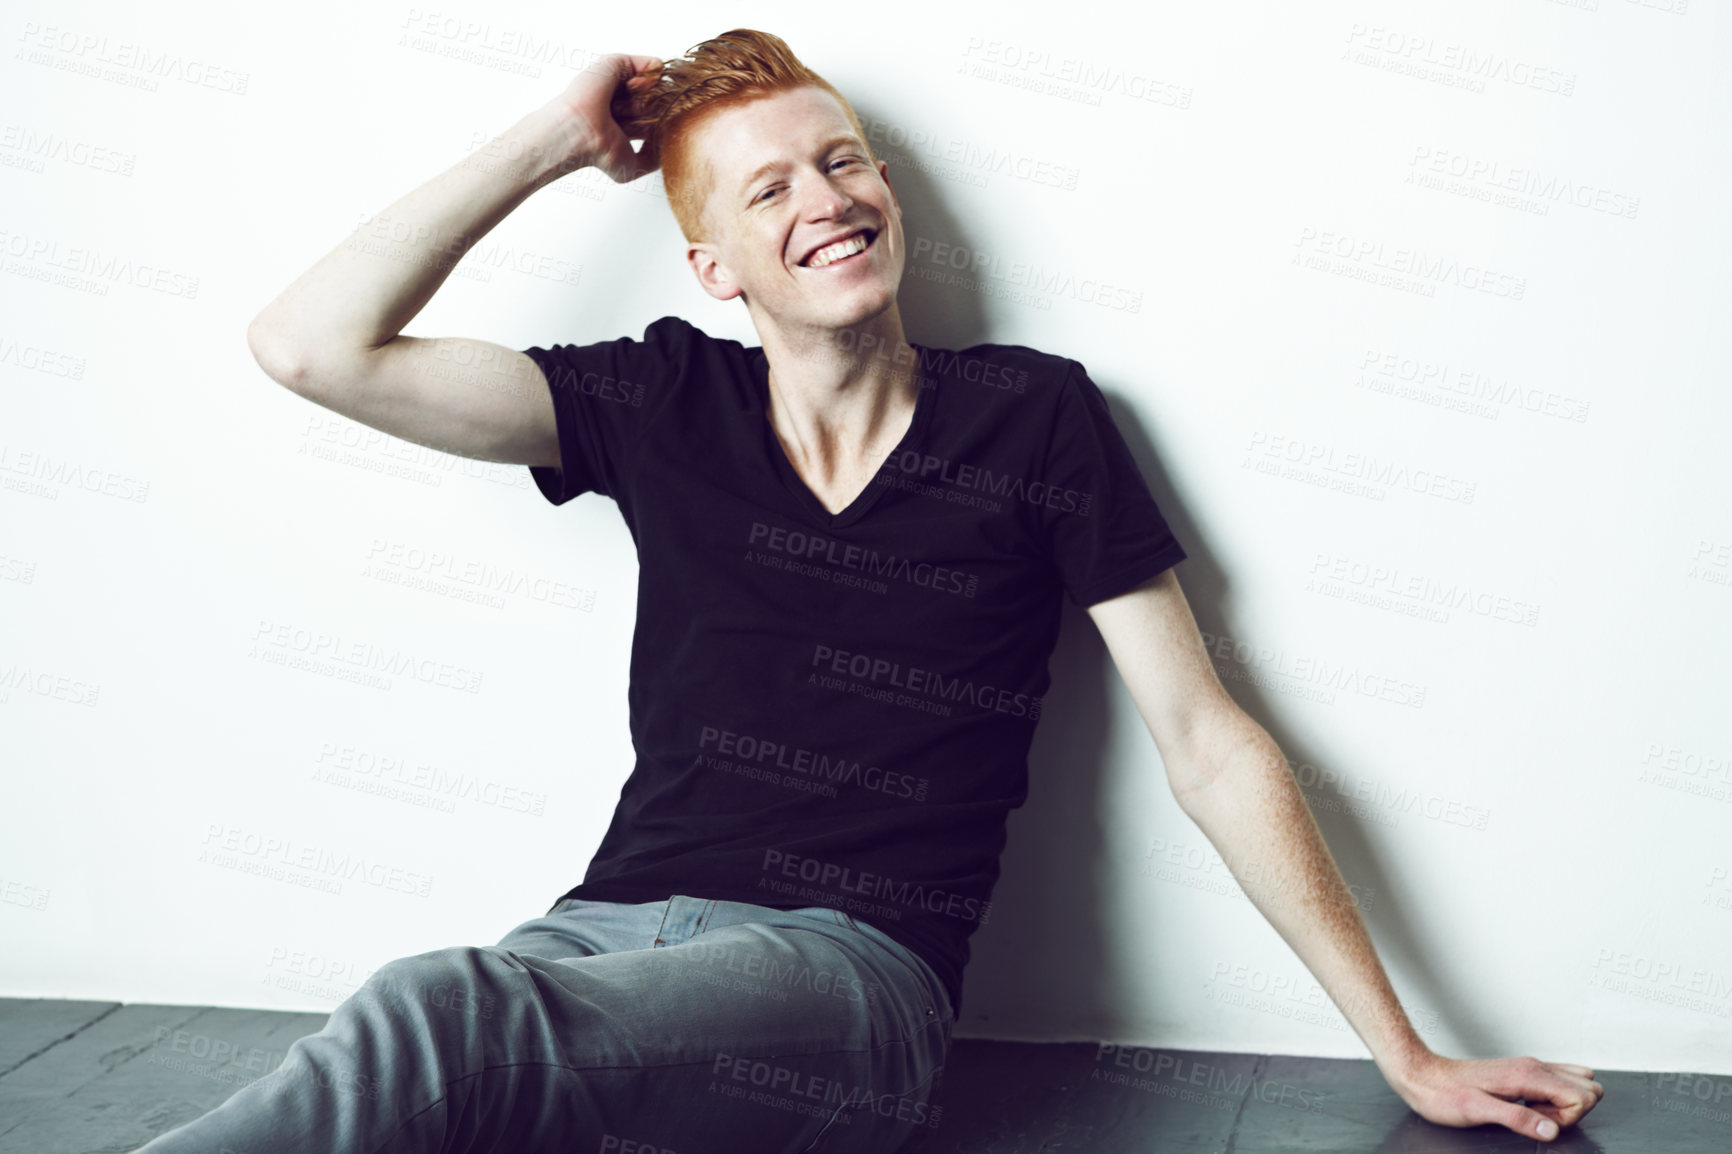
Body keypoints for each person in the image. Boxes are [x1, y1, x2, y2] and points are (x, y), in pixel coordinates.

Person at [144, 28, 1603, 1154]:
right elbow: (308, 346)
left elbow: (1208, 742)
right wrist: (545, 139)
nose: (826, 200)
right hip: (591, 942)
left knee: (435, 1015)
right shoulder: (661, 398)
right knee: (451, 1064)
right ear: (712, 264)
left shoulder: (1032, 421)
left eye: (841, 161)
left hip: (850, 983)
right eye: (769, 187)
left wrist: (1402, 1051)